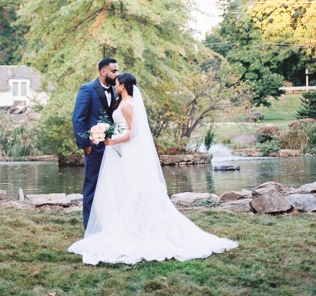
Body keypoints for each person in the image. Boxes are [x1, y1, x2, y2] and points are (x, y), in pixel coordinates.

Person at [68, 73, 237, 265]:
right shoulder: (122, 103)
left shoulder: (128, 105)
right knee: (122, 190)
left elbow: (133, 133)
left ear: (123, 85)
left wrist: (112, 140)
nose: (114, 87)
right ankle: (123, 224)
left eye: (116, 84)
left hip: (126, 151)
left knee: (133, 188)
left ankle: (137, 228)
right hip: (119, 152)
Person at [72, 57, 120, 229]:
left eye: (117, 70)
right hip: (94, 148)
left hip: (112, 148)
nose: (117, 74)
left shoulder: (116, 90)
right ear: (103, 72)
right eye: (114, 71)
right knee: (91, 186)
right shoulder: (87, 89)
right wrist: (86, 145)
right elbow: (78, 119)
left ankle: (107, 224)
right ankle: (89, 228)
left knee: (111, 187)